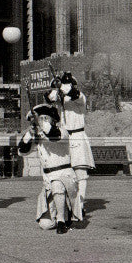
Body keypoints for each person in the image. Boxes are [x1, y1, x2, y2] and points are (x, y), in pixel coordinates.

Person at [18, 103, 84, 234]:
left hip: (64, 176)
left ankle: (61, 221)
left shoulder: (62, 131)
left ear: (53, 120)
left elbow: (54, 136)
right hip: (48, 179)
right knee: (46, 224)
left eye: (45, 118)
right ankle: (64, 214)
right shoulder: (40, 137)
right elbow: (22, 150)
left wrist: (42, 124)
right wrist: (29, 134)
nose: (41, 122)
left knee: (57, 184)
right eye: (39, 119)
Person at [50, 72, 95, 208]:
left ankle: (79, 206)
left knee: (80, 173)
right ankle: (68, 204)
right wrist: (56, 88)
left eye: (67, 84)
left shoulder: (80, 98)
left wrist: (62, 86)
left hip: (77, 136)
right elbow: (49, 97)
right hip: (64, 138)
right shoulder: (61, 99)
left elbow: (74, 93)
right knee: (63, 172)